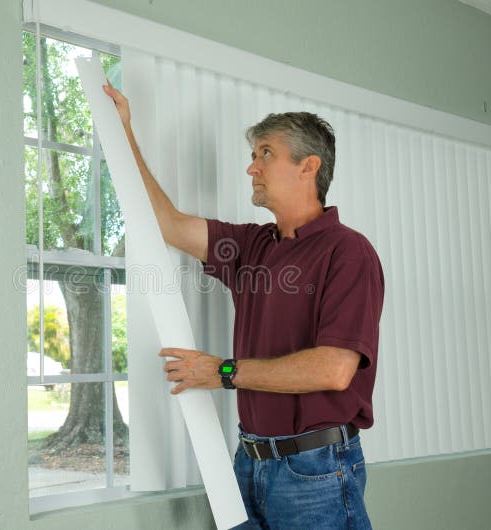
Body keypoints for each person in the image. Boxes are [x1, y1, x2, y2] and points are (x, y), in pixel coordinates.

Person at [103, 82, 385, 530]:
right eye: (254, 154)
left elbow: (334, 370)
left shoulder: (348, 252)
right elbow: (167, 224)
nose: (251, 167)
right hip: (248, 464)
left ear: (308, 166)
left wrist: (223, 371)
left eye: (266, 153)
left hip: (315, 471)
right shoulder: (254, 246)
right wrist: (123, 134)